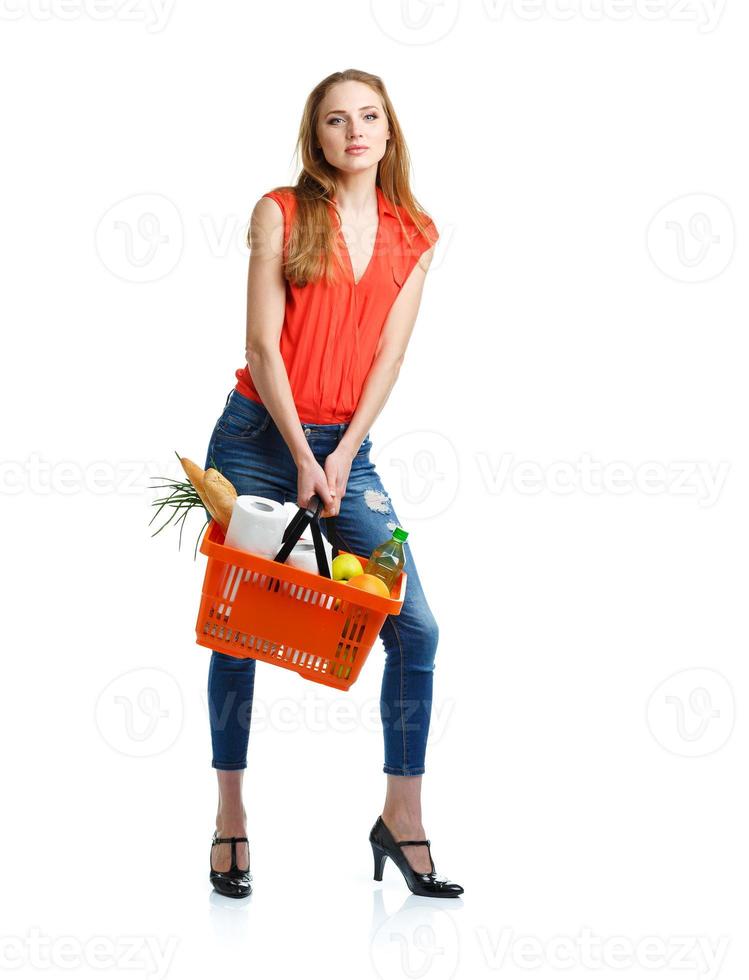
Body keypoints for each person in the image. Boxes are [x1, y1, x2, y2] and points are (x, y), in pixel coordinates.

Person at [205, 68, 463, 900]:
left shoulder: (415, 232)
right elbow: (262, 347)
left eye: (369, 117)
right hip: (256, 438)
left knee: (414, 626)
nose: (353, 131)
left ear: (390, 132)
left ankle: (402, 819)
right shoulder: (279, 212)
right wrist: (302, 457)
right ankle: (231, 819)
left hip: (344, 448)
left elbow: (390, 357)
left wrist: (344, 454)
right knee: (237, 626)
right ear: (315, 137)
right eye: (334, 120)